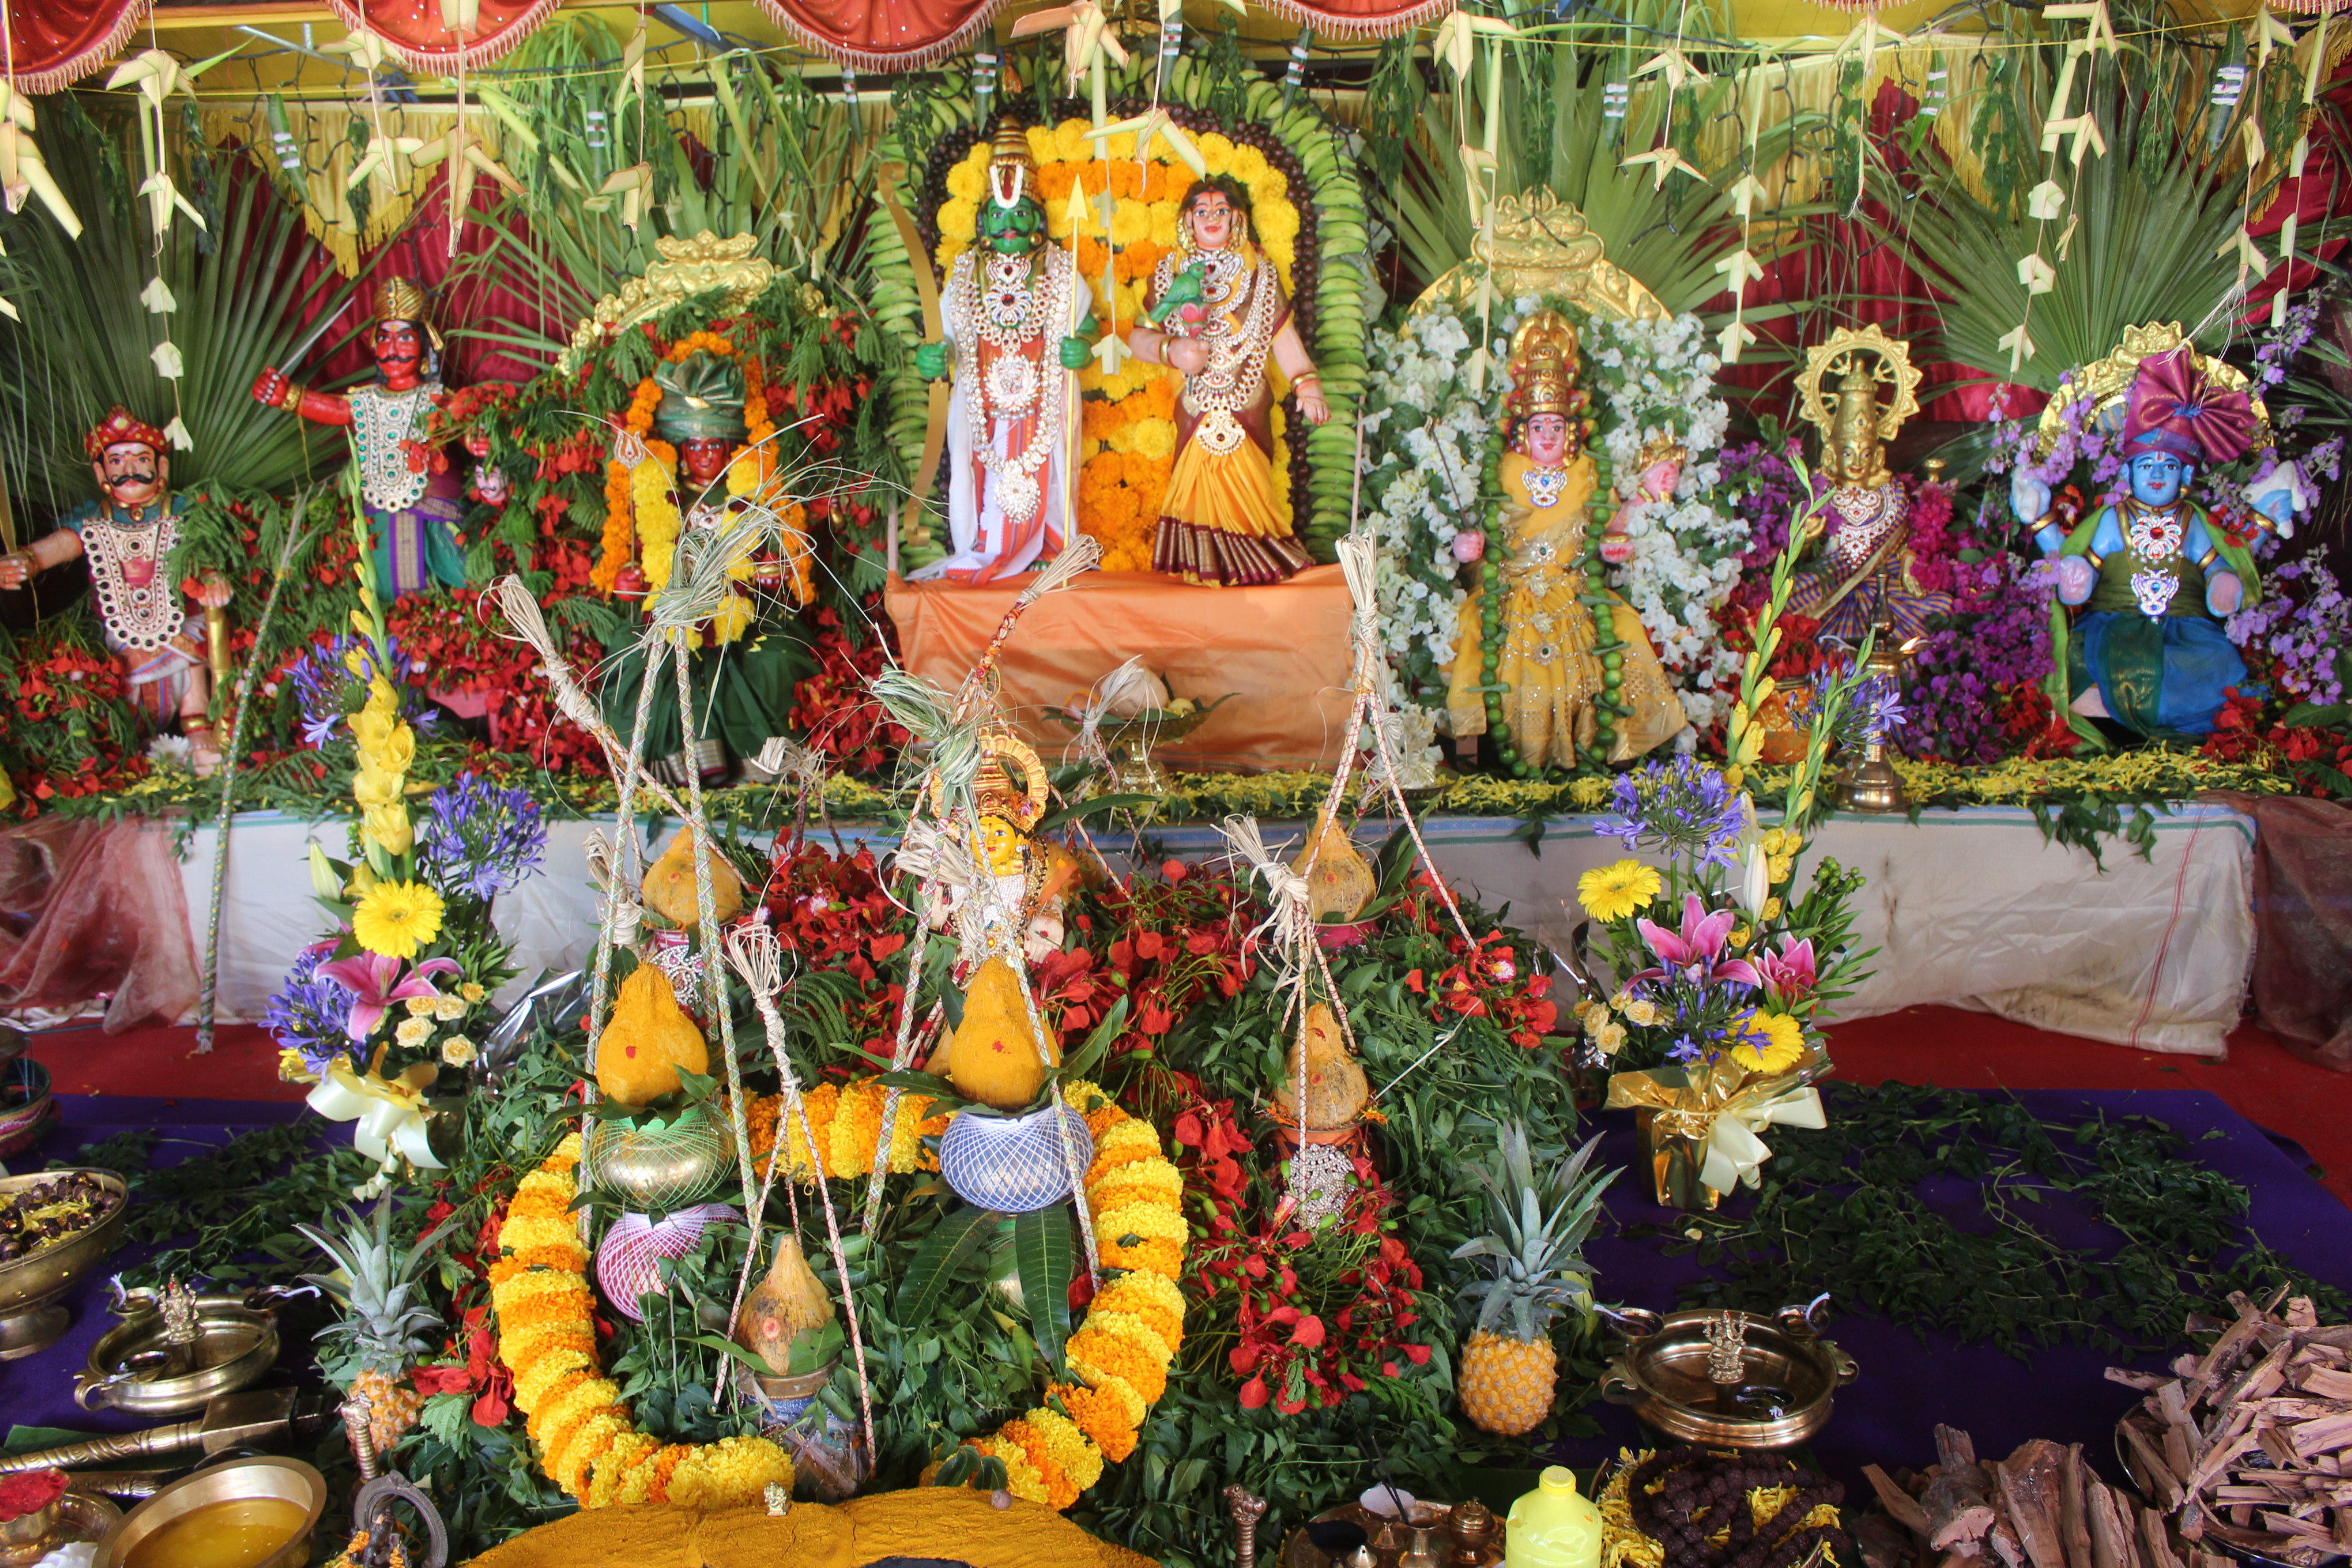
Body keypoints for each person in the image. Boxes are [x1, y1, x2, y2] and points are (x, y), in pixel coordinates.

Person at [2010, 345, 2305, 741]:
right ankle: (2112, 715)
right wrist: (2078, 572)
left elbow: (2214, 561)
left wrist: (2222, 580)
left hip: (2184, 630)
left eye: (2168, 466)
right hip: (2114, 627)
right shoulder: (2114, 520)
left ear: (2184, 476)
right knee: (2080, 661)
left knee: (2213, 663)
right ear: (2128, 472)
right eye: (2147, 466)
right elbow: (2084, 561)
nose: (2157, 475)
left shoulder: (2192, 521)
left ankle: (2154, 717)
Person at [1445, 312, 1684, 767]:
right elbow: (1478, 538)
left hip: (1573, 588)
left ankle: (1623, 745)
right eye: (1539, 428)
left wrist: (1617, 546)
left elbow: (1610, 533)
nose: (1548, 437)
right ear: (1523, 432)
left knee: (1625, 629)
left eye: (1556, 427)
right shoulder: (1503, 471)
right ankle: (1470, 744)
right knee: (1472, 629)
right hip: (1510, 589)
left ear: (1570, 430)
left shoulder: (1588, 473)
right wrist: (1466, 549)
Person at [601, 349, 814, 785]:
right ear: (682, 448)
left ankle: (745, 761)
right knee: (633, 651)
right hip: (671, 613)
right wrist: (627, 582)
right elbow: (639, 570)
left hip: (741, 614)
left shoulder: (752, 496)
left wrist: (772, 576)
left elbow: (779, 573)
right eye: (694, 445)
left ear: (728, 447)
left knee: (768, 655)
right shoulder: (662, 497)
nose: (703, 456)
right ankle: (673, 764)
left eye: (713, 445)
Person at [913, 121, 1094, 585]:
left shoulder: (1061, 271)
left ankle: (1050, 549)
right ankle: (986, 549)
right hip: (983, 408)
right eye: (997, 215)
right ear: (982, 222)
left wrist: (1081, 349)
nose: (1009, 226)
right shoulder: (966, 274)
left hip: (1042, 404)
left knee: (1048, 476)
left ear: (1038, 219)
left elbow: (1087, 328)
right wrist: (935, 356)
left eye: (1018, 215)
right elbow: (947, 337)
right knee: (982, 480)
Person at [1126, 174, 1330, 585]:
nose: (1212, 219)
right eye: (1202, 212)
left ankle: (1254, 569)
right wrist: (1171, 350)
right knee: (1195, 491)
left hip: (1247, 406)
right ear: (1188, 220)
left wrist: (1305, 384)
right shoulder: (1170, 274)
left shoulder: (1261, 276)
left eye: (1221, 211)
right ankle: (1200, 572)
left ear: (1237, 218)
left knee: (1253, 495)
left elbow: (1283, 337)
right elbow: (1137, 336)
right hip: (1195, 407)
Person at [0, 407, 229, 771]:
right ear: (100, 472)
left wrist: (213, 579)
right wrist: (27, 562)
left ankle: (197, 723)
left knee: (190, 661)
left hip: (178, 618)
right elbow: (62, 545)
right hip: (121, 627)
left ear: (162, 468)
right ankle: (137, 741)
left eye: (141, 459)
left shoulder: (181, 511)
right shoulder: (95, 520)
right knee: (129, 682)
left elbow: (202, 552)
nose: (129, 470)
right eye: (116, 461)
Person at [250, 278, 470, 600]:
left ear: (425, 343)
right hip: (379, 510)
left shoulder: (438, 397)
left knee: (460, 586)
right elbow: (336, 409)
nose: (392, 350)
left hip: (435, 513)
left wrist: (477, 439)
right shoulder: (363, 400)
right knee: (386, 597)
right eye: (384, 339)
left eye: (405, 338)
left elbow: (467, 423)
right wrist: (287, 395)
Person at [1785, 352, 1954, 645]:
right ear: (1831, 456)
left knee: (1942, 607)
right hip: (1827, 592)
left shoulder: (1893, 495)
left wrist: (1908, 567)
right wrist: (1808, 540)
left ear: (1877, 457)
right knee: (1786, 604)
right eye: (1847, 453)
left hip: (1886, 591)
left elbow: (1903, 546)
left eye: (1865, 454)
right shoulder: (1818, 494)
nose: (1856, 462)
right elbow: (1799, 560)